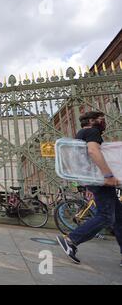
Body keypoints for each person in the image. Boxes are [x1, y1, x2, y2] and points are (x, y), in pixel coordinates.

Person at [57, 111, 122, 265]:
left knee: (119, 216)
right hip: (101, 179)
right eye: (101, 119)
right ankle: (72, 240)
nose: (103, 122)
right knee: (107, 216)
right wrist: (108, 175)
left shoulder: (81, 133)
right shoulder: (92, 132)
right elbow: (93, 151)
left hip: (94, 179)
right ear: (92, 121)